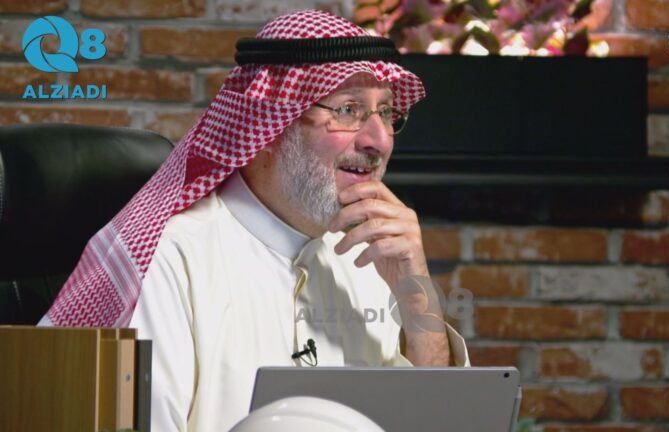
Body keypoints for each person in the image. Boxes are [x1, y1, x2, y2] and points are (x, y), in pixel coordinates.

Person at [41, 9, 469, 431]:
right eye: (348, 110)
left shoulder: (370, 258)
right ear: (269, 124)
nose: (378, 140)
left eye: (386, 113)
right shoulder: (174, 259)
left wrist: (417, 299)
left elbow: (436, 422)